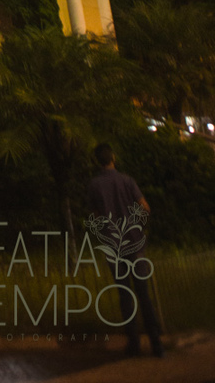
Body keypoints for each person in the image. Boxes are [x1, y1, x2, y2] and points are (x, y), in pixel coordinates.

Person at [87, 143, 163, 358]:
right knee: (143, 294)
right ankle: (157, 344)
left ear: (96, 161)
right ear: (113, 158)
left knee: (125, 294)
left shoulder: (94, 185)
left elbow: (95, 215)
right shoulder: (127, 181)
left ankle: (134, 343)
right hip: (135, 243)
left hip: (114, 247)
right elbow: (145, 207)